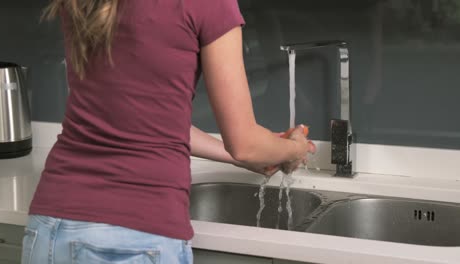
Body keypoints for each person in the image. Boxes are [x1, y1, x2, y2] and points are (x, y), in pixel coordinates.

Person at [21, 0, 316, 263]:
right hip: (133, 238)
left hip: (49, 228)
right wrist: (296, 148)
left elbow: (151, 123)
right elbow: (246, 143)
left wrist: (243, 156)